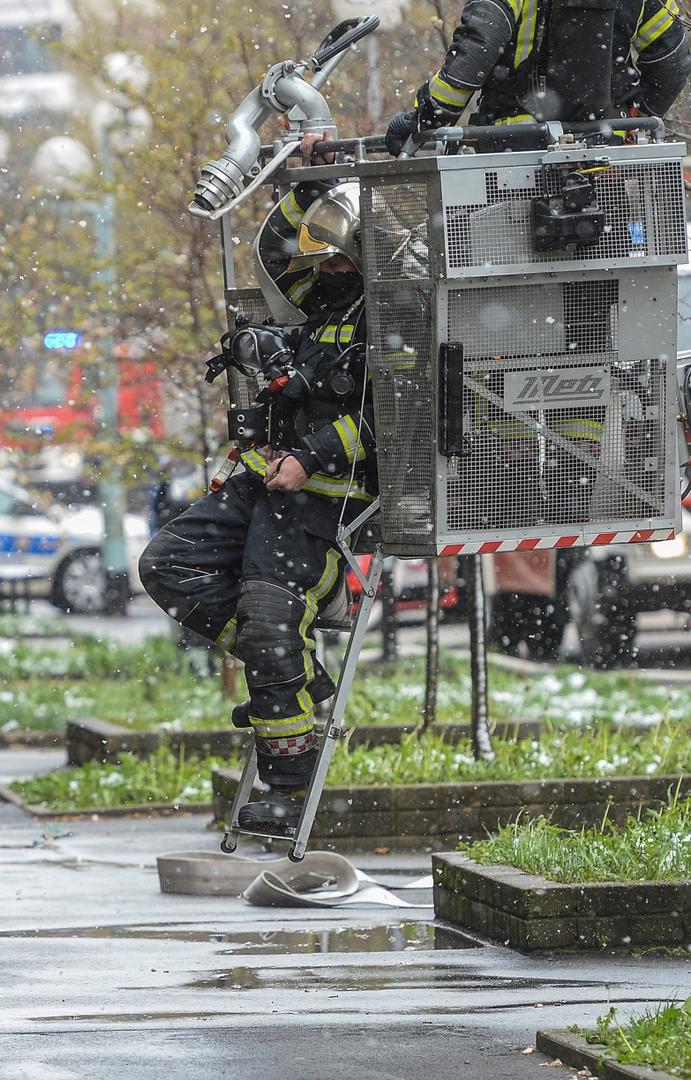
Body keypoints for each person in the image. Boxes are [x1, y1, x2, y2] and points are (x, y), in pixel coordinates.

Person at [139, 174, 375, 834]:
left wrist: (312, 457)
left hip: (325, 508)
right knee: (166, 565)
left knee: (270, 625)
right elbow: (275, 249)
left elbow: (397, 421)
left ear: (365, 257)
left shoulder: (390, 317)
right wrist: (308, 181)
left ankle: (288, 789)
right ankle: (295, 671)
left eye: (339, 261)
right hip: (262, 487)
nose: (328, 272)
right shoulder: (318, 303)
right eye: (322, 261)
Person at [385, 0, 691, 154]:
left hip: (515, 156)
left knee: (497, 256)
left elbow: (473, 57)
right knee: (608, 256)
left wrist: (426, 118)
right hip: (603, 158)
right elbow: (673, 62)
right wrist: (633, 119)